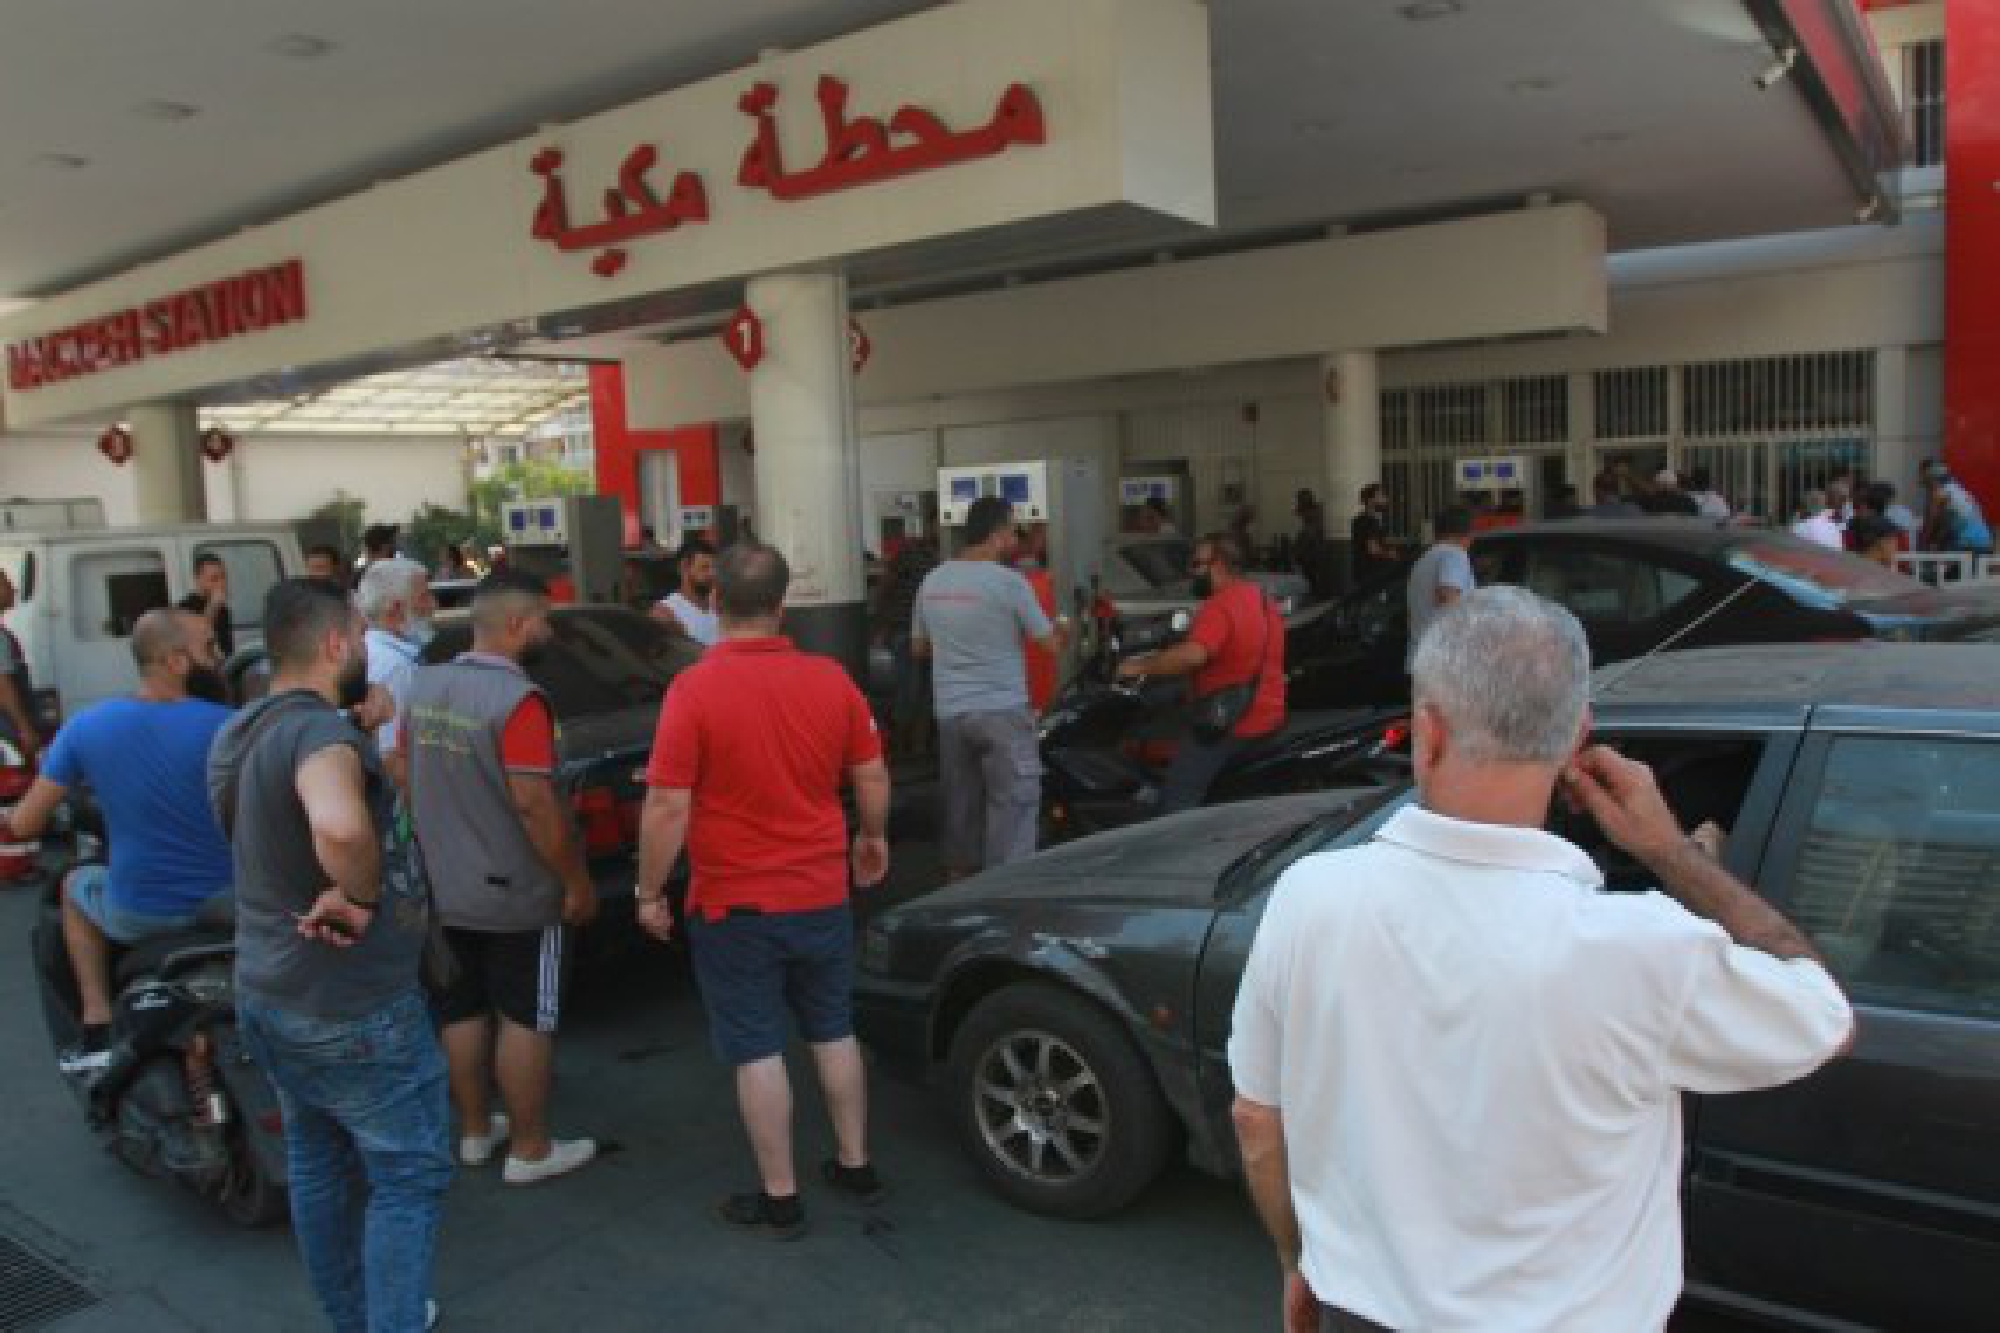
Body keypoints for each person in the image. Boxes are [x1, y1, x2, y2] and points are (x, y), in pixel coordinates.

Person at [1228, 587, 1853, 1332]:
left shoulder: (1307, 897)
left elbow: (1257, 1119)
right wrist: (1671, 853)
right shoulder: (1643, 946)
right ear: (1577, 739)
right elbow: (1821, 1013)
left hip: (1359, 1311)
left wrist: (1298, 1261)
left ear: (1427, 734)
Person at [209, 578, 449, 1333]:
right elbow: (342, 829)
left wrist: (355, 718)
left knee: (317, 1159)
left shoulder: (243, 730)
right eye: (358, 635)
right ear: (337, 645)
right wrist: (365, 894)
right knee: (407, 1177)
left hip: (271, 988)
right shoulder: (320, 740)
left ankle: (355, 1317)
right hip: (352, 1005)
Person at [635, 542, 892, 1240]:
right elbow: (870, 773)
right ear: (783, 606)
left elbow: (666, 804)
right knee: (833, 1028)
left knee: (757, 1047)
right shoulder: (831, 680)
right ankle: (856, 1162)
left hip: (734, 904)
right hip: (820, 891)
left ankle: (781, 1197)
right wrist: (872, 837)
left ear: (714, 601)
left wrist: (647, 889)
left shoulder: (693, 689)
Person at [404, 570, 599, 1186]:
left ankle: (472, 1133)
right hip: (516, 892)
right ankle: (531, 1149)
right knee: (525, 1016)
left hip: (443, 886)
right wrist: (573, 881)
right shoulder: (519, 701)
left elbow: (405, 774)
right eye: (543, 618)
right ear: (517, 625)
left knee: (461, 1012)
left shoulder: (424, 683)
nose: (547, 629)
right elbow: (535, 803)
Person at [2, 610, 231, 1071]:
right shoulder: (232, 724)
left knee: (73, 888)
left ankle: (96, 1018)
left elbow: (24, 825)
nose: (219, 658)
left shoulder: (87, 727)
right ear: (176, 661)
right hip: (233, 904)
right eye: (209, 648)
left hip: (141, 912)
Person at [913, 497, 1065, 878]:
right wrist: (1065, 623)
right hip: (1002, 711)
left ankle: (957, 884)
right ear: (998, 535)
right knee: (1013, 805)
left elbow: (919, 648)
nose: (1016, 537)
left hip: (951, 713)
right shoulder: (1009, 583)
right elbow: (1050, 644)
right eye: (1013, 530)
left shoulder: (933, 580)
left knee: (960, 804)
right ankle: (1006, 889)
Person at [1117, 532, 1284, 812]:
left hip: (1231, 724)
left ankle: (1177, 849)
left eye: (1196, 565)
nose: (1191, 573)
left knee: (1177, 797)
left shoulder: (1220, 606)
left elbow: (1194, 655)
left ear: (1217, 565)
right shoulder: (1262, 600)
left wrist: (1138, 666)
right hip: (1269, 714)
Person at [356, 557, 437, 781]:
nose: (433, 605)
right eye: (424, 597)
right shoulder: (395, 666)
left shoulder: (374, 650)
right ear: (395, 609)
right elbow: (391, 756)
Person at [872, 532, 939, 758]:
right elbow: (886, 586)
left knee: (923, 689)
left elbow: (885, 587)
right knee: (911, 688)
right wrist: (882, 624)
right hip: (905, 629)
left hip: (929, 632)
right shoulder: (912, 553)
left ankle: (916, 742)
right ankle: (904, 742)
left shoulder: (940, 558)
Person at [1404, 506, 1476, 671]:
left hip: (1420, 658)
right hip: (1444, 663)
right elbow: (1448, 597)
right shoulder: (1455, 555)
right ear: (1469, 533)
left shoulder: (1424, 559)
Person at [1014, 524, 1062, 714]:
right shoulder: (1036, 581)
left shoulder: (1044, 579)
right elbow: (1055, 643)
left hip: (1031, 683)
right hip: (1026, 685)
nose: (1040, 541)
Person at [0, 569, 42, 765]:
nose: (13, 589)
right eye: (7, 585)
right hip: (6, 727)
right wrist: (24, 728)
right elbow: (3, 685)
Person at [651, 537, 719, 647]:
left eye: (714, 568)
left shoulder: (718, 607)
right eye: (704, 568)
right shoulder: (666, 612)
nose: (712, 574)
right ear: (684, 568)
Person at [178, 552, 236, 657]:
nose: (221, 583)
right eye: (214, 579)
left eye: (223, 577)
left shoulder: (223, 610)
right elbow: (197, 640)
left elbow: (227, 648)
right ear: (198, 579)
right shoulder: (183, 609)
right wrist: (212, 607)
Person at [1349, 484, 1398, 584]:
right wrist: (1390, 554)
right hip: (1372, 575)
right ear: (1370, 500)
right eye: (1381, 496)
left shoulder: (1366, 521)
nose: (1385, 499)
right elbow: (1373, 550)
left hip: (1368, 573)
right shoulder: (1368, 522)